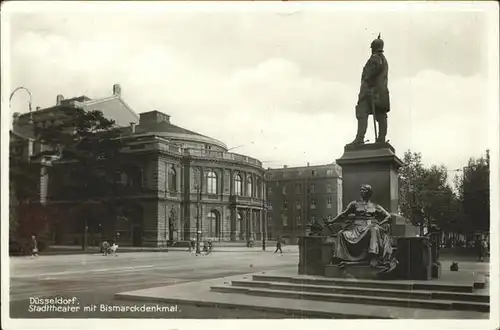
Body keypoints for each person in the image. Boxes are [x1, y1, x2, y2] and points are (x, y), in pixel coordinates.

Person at [326, 184, 395, 271]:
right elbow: (343, 214)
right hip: (356, 228)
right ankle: (339, 257)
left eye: (364, 190)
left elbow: (388, 216)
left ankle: (374, 256)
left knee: (373, 229)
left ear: (369, 193)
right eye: (361, 190)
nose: (362, 191)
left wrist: (381, 224)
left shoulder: (375, 206)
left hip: (370, 225)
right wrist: (331, 221)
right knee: (341, 234)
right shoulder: (354, 204)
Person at [349, 34, 390, 145]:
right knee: (381, 115)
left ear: (374, 47)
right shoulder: (383, 59)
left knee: (362, 112)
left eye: (372, 46)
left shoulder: (375, 58)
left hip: (370, 93)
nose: (371, 48)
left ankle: (359, 138)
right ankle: (381, 138)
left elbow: (369, 75)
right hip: (381, 93)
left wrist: (368, 87)